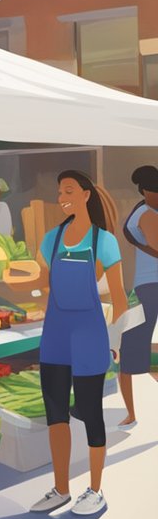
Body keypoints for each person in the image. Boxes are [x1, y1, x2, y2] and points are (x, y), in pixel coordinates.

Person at [30, 170, 125, 517]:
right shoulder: (51, 239)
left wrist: (114, 341)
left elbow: (119, 299)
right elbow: (43, 286)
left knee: (91, 415)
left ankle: (95, 490)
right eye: (59, 192)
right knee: (56, 416)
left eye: (69, 190)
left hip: (87, 337)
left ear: (86, 194)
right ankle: (61, 488)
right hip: (55, 337)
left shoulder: (104, 241)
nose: (62, 197)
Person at [118, 165, 158, 429]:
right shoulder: (147, 214)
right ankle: (131, 413)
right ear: (145, 191)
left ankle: (132, 413)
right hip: (149, 287)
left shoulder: (143, 211)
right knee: (132, 351)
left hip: (147, 286)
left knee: (133, 350)